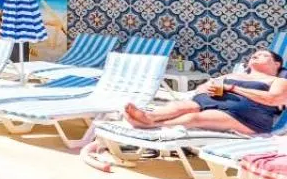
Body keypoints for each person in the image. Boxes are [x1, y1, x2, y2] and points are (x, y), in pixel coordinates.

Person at [122, 48, 286, 136]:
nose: (255, 56)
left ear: (277, 64)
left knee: (194, 118)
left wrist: (233, 88)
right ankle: (149, 116)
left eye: (263, 55)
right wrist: (207, 88)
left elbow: (273, 99)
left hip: (245, 117)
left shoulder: (278, 81)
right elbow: (202, 87)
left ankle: (151, 125)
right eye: (254, 55)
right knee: (179, 106)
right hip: (208, 102)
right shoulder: (232, 75)